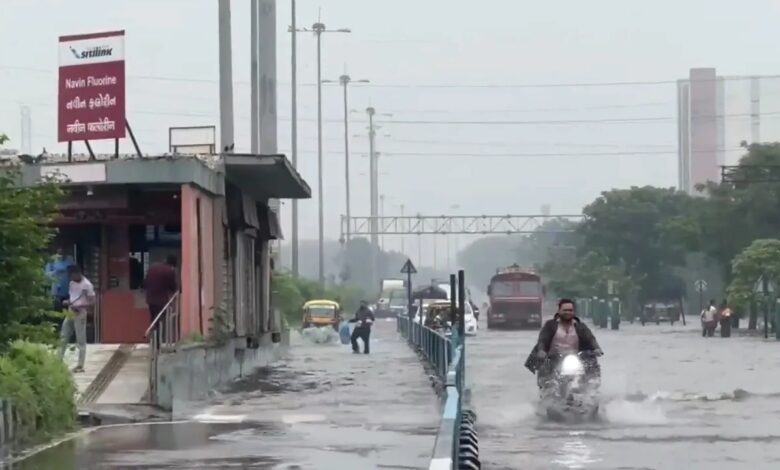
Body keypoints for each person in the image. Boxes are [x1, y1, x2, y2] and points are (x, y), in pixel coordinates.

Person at [524, 299, 603, 387]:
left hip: (576, 358)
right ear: (559, 311)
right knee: (547, 379)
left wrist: (596, 348)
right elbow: (542, 339)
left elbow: (590, 338)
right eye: (565, 310)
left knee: (590, 363)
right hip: (554, 359)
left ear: (574, 312)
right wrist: (541, 350)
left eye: (570, 310)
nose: (567, 312)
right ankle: (547, 388)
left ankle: (591, 385)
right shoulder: (550, 325)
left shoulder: (580, 326)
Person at [57, 265, 95, 373]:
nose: (71, 278)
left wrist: (80, 306)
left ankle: (80, 365)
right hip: (70, 311)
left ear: (77, 273)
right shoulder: (72, 283)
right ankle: (58, 360)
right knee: (64, 335)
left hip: (80, 312)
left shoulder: (87, 285)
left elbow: (92, 302)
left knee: (80, 339)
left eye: (72, 275)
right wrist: (68, 302)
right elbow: (73, 297)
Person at [143, 255, 178, 325]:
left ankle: (154, 330)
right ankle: (158, 330)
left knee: (154, 318)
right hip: (161, 300)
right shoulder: (169, 271)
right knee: (161, 320)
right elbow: (172, 286)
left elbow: (145, 282)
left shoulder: (153, 266)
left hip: (150, 298)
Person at [45, 247, 74, 314]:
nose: (62, 255)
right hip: (57, 290)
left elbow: (74, 271)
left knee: (68, 310)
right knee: (57, 310)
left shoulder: (70, 260)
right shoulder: (51, 260)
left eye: (63, 252)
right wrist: (56, 272)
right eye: (60, 253)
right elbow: (47, 275)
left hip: (69, 290)